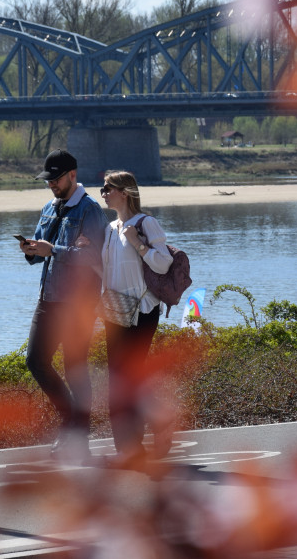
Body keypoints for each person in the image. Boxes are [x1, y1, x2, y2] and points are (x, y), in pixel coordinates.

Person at [20, 148, 107, 461]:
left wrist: (53, 250)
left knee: (75, 370)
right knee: (35, 361)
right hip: (49, 299)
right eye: (48, 180)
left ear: (73, 175)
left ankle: (78, 438)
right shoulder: (48, 207)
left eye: (55, 179)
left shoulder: (91, 211)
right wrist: (30, 250)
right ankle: (73, 422)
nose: (51, 185)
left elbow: (95, 257)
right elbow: (39, 251)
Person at [98, 170, 174, 469]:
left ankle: (132, 446)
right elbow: (108, 273)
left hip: (142, 310)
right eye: (102, 189)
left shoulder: (144, 223)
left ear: (124, 192)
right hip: (115, 311)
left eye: (107, 188)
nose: (103, 193)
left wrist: (139, 244)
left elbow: (164, 263)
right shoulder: (110, 227)